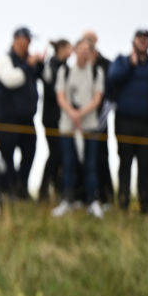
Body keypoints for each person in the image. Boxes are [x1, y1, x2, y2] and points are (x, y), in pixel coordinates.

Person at [106, 29, 148, 212]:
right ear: (133, 41)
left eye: (146, 39)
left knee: (145, 165)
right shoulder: (122, 61)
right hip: (125, 122)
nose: (143, 42)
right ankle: (123, 201)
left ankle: (145, 203)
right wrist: (130, 66)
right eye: (140, 39)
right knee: (125, 163)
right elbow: (113, 78)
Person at [51, 38, 106, 219]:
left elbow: (97, 98)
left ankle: (93, 201)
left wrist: (81, 113)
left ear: (92, 53)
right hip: (67, 126)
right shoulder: (65, 70)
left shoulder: (97, 72)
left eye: (87, 50)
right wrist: (72, 113)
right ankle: (67, 200)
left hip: (89, 126)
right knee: (68, 164)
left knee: (91, 165)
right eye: (80, 49)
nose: (83, 52)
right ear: (74, 51)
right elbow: (60, 96)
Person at [0, 26, 44, 198]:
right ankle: (9, 189)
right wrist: (28, 66)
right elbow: (10, 80)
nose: (28, 44)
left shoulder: (30, 61)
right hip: (8, 118)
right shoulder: (4, 59)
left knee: (30, 153)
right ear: (16, 39)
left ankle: (22, 188)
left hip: (28, 118)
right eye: (25, 40)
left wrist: (40, 65)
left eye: (29, 41)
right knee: (7, 155)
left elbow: (45, 79)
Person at [83, 29, 114, 206]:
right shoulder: (80, 64)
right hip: (82, 120)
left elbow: (109, 93)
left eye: (90, 40)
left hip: (100, 121)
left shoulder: (106, 64)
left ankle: (106, 196)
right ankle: (86, 196)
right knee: (84, 159)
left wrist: (102, 118)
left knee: (101, 157)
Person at [39, 39, 72, 202]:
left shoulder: (66, 67)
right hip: (51, 118)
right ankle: (44, 189)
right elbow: (51, 89)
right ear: (61, 48)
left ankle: (55, 188)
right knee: (55, 153)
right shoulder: (50, 65)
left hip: (64, 119)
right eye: (69, 48)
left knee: (60, 154)